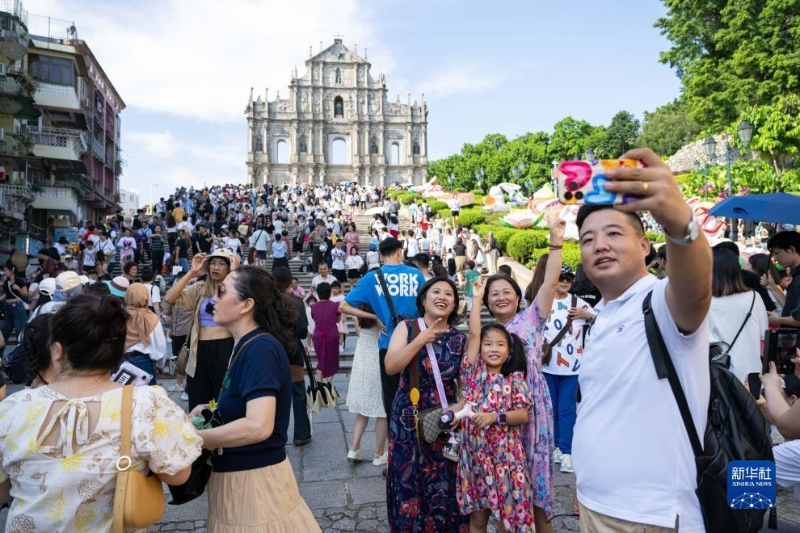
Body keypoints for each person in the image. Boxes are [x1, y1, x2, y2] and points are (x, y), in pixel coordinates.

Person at [572, 148, 712, 530]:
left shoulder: (660, 302)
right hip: (594, 506)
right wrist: (586, 483)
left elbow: (696, 289)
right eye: (587, 240)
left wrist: (680, 223)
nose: (599, 245)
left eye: (613, 233)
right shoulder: (602, 315)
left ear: (645, 245)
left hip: (651, 519)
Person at [0, 293, 201, 531]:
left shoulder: (13, 407)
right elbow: (177, 475)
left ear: (57, 350)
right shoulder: (146, 403)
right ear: (120, 350)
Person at [188, 266, 320, 532]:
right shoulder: (245, 345)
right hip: (239, 481)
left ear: (246, 305)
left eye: (223, 291)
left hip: (255, 488)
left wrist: (190, 437)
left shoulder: (260, 348)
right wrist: (210, 410)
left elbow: (258, 426)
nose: (214, 297)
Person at [471, 215, 565, 533]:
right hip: (502, 416)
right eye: (494, 293)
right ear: (487, 302)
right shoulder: (489, 335)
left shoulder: (532, 318)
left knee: (537, 486)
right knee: (506, 488)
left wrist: (556, 241)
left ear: (518, 295)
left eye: (506, 291)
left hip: (533, 408)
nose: (501, 296)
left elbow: (550, 282)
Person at [384, 277, 468, 531]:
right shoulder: (407, 328)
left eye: (449, 294)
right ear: (423, 299)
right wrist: (421, 339)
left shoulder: (459, 339)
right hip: (408, 420)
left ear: (454, 305)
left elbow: (466, 386)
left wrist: (459, 408)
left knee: (444, 481)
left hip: (443, 421)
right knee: (408, 480)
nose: (442, 297)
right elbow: (391, 366)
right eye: (436, 292)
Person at [455, 321, 534, 532]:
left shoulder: (515, 381)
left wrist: (494, 417)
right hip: (475, 461)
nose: (493, 349)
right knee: (478, 520)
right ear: (479, 349)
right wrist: (477, 296)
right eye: (488, 344)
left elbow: (523, 414)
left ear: (508, 352)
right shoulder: (472, 376)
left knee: (507, 521)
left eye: (500, 344)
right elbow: (473, 333)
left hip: (505, 462)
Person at [340, 237, 428, 418]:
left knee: (392, 398)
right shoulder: (416, 274)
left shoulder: (372, 278)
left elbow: (343, 306)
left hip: (388, 345)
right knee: (419, 394)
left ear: (380, 255)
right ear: (399, 252)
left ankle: (395, 440)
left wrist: (373, 316)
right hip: (416, 343)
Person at [164, 249, 237, 410]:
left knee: (223, 397)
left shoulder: (236, 288)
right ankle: (202, 433)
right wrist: (192, 272)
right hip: (199, 349)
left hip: (226, 348)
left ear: (229, 267)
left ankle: (223, 432)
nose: (215, 267)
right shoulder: (200, 288)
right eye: (213, 263)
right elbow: (169, 299)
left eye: (221, 263)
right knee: (198, 397)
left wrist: (235, 273)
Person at [539, 263, 593, 474]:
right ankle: (556, 447)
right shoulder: (544, 302)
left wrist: (588, 316)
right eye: (561, 277)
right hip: (547, 366)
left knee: (567, 409)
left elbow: (602, 321)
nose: (564, 281)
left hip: (572, 367)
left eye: (568, 278)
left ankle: (567, 451)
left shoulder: (579, 304)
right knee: (551, 410)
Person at [708, 248, 768, 382]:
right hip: (750, 374)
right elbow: (763, 333)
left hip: (717, 376)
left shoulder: (703, 303)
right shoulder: (754, 298)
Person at [273, 266, 312, 447]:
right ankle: (301, 434)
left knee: (272, 395)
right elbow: (303, 331)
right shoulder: (296, 302)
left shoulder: (267, 302)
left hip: (272, 354)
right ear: (290, 282)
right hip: (293, 352)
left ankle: (274, 434)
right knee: (298, 394)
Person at [345, 303, 387, 465]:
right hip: (377, 359)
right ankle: (379, 454)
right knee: (381, 411)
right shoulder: (381, 310)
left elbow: (358, 331)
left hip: (362, 358)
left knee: (362, 410)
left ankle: (354, 449)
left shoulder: (360, 309)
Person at [121, 283, 168, 385]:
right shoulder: (151, 318)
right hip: (143, 362)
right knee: (145, 398)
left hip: (120, 361)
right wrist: (160, 365)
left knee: (122, 398)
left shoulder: (118, 315)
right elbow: (160, 345)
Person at [768, 231, 800, 328]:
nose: (775, 259)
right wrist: (773, 287)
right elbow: (791, 309)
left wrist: (779, 320)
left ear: (791, 249)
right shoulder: (796, 275)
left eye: (777, 253)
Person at [311, 282, 340, 383]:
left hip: (318, 335)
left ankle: (320, 385)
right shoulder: (335, 305)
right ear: (329, 292)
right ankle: (327, 383)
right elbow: (338, 320)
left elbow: (314, 318)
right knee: (333, 360)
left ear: (318, 293)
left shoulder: (313, 307)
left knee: (321, 361)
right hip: (332, 334)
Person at [1, 264, 29, 344]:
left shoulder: (19, 281)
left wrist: (18, 288)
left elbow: (25, 294)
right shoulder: (6, 282)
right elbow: (7, 294)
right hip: (7, 307)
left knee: (19, 330)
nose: (4, 272)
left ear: (12, 270)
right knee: (4, 330)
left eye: (6, 270)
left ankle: (22, 352)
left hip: (17, 306)